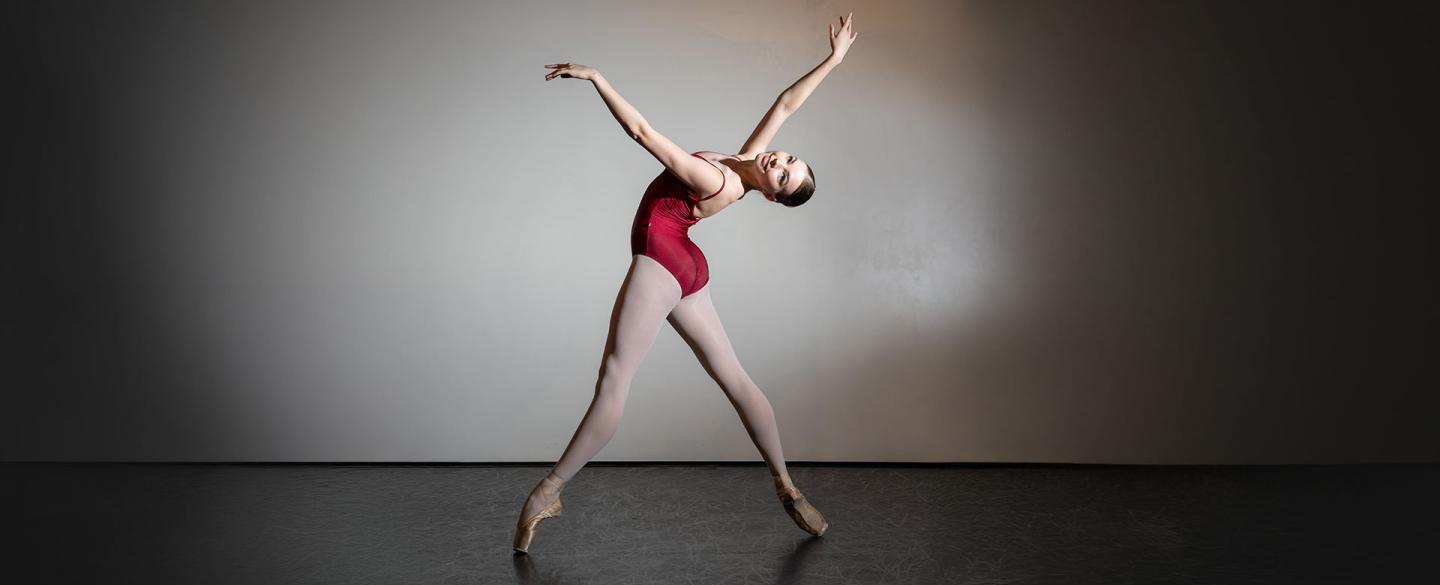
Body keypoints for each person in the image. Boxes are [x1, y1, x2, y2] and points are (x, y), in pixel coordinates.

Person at [514, 12, 859, 553]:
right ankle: (786, 486)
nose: (778, 160)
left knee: (614, 379)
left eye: (783, 174)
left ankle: (546, 492)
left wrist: (598, 77)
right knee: (735, 378)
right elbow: (787, 102)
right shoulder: (745, 163)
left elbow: (643, 133)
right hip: (687, 264)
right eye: (788, 158)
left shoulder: (717, 177)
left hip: (663, 258)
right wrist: (833, 61)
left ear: (771, 196)